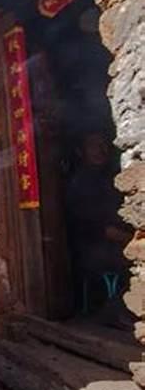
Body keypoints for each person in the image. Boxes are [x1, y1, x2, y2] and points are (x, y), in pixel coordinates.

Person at [65, 130, 132, 314]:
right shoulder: (78, 183)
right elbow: (96, 227)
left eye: (103, 145)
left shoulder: (108, 178)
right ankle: (115, 312)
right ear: (81, 151)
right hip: (92, 249)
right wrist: (131, 240)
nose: (100, 150)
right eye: (93, 145)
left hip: (113, 243)